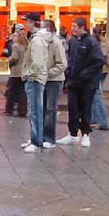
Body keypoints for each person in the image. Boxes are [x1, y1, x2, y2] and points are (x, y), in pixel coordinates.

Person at [56, 17, 104, 148]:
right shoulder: (72, 41)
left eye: (74, 26)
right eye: (71, 26)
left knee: (85, 108)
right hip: (73, 82)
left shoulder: (91, 42)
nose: (72, 29)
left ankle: (85, 134)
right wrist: (69, 73)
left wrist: (85, 74)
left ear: (82, 27)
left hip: (87, 84)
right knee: (73, 108)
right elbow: (71, 59)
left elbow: (99, 61)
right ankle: (72, 134)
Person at [20, 12, 50, 153]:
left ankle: (36, 141)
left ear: (32, 22)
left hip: (35, 79)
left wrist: (28, 74)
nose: (26, 24)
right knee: (35, 110)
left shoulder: (37, 40)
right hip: (37, 78)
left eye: (27, 21)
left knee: (35, 111)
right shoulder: (37, 38)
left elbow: (37, 63)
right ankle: (35, 138)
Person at [42, 19, 67, 149]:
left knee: (50, 109)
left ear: (48, 29)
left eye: (42, 28)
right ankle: (40, 136)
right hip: (44, 79)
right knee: (42, 108)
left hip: (54, 80)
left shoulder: (56, 43)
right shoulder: (42, 42)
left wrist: (48, 73)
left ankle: (49, 138)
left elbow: (62, 64)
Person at [90, 26, 109, 131]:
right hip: (105, 70)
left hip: (97, 71)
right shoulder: (107, 41)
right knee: (95, 93)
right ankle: (94, 119)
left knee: (97, 94)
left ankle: (103, 121)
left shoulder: (93, 41)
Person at [4, 23, 28, 116]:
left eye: (14, 36)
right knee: (22, 92)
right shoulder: (26, 45)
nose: (13, 37)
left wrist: (9, 59)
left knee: (11, 91)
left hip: (16, 71)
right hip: (24, 71)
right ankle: (22, 110)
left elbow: (15, 57)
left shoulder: (15, 46)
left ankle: (9, 109)